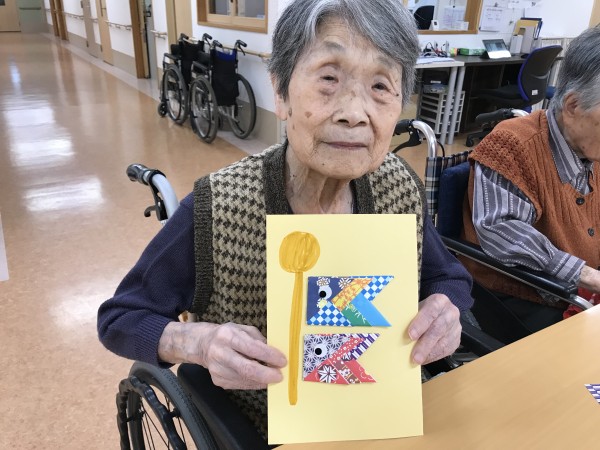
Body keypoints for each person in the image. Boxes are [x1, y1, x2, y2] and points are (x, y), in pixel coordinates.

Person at [98, 0, 473, 439]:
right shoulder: (218, 206)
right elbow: (121, 317)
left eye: (380, 85)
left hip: (384, 415)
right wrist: (197, 342)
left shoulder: (398, 187)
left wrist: (446, 310)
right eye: (329, 79)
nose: (355, 112)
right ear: (280, 93)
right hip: (269, 428)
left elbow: (448, 278)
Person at [462, 26, 600, 334]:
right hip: (523, 291)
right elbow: (501, 232)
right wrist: (589, 276)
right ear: (573, 106)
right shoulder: (512, 145)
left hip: (578, 288)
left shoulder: (591, 147)